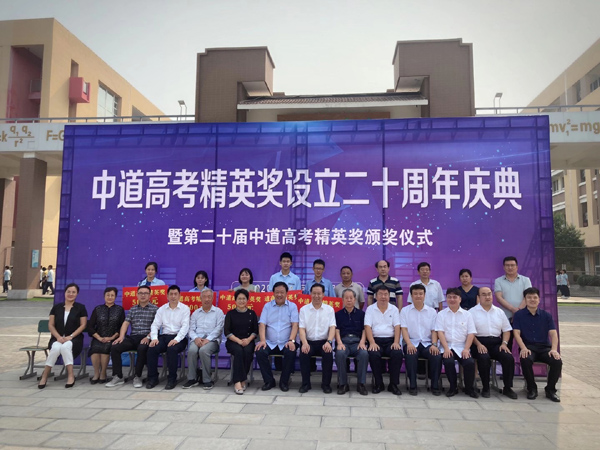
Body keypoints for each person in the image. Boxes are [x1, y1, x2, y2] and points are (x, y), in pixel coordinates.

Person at [513, 287, 562, 402]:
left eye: (535, 297)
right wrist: (523, 348)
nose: (532, 300)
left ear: (539, 299)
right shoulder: (519, 315)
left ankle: (550, 390)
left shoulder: (546, 315)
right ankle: (532, 388)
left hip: (544, 348)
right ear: (525, 299)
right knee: (525, 359)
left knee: (557, 361)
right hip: (528, 348)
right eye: (529, 297)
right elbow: (516, 333)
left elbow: (553, 334)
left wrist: (554, 349)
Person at [106, 285, 158, 388]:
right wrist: (121, 337)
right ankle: (118, 376)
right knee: (115, 347)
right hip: (133, 337)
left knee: (142, 348)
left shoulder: (155, 309)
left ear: (150, 295)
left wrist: (148, 337)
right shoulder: (133, 309)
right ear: (137, 295)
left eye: (145, 293)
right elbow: (126, 323)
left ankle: (137, 376)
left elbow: (157, 326)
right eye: (140, 293)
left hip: (146, 337)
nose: (143, 295)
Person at [470, 286, 517, 399]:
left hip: (496, 343)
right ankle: (486, 388)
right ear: (478, 297)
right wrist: (478, 344)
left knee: (508, 358)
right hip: (478, 343)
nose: (487, 297)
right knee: (484, 358)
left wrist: (504, 343)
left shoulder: (499, 312)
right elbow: (469, 332)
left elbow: (506, 330)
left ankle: (507, 388)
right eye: (484, 294)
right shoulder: (472, 312)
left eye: (489, 294)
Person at [37, 283, 88, 389]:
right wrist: (58, 337)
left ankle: (70, 375)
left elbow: (83, 325)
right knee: (55, 347)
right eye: (68, 292)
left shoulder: (81, 308)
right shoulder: (56, 307)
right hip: (57, 338)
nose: (70, 294)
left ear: (77, 294)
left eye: (73, 292)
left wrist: (71, 336)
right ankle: (45, 376)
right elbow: (51, 325)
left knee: (66, 346)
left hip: (74, 339)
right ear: (65, 293)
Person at [255, 281, 299, 392]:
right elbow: (262, 324)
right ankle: (269, 381)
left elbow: (295, 325)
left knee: (291, 351)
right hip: (270, 342)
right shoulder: (267, 306)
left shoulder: (292, 306)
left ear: (286, 293)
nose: (279, 295)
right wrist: (263, 340)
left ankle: (284, 382)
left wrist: (291, 340)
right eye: (277, 292)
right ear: (273, 293)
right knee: (260, 351)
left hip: (286, 341)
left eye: (282, 292)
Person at [436, 288, 479, 398]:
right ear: (446, 299)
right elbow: (440, 332)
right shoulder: (441, 314)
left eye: (455, 297)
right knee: (448, 361)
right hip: (446, 346)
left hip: (462, 346)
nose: (452, 299)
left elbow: (471, 333)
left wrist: (466, 349)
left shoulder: (467, 315)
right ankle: (453, 387)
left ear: (460, 299)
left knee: (469, 362)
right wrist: (446, 348)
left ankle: (469, 388)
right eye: (449, 297)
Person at [400, 284, 442, 396]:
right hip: (411, 342)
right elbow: (404, 329)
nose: (418, 296)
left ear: (424, 295)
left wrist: (434, 344)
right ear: (411, 296)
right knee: (411, 354)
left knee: (436, 355)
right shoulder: (404, 311)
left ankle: (435, 385)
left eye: (420, 294)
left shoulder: (432, 311)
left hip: (427, 343)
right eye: (415, 294)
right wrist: (409, 344)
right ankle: (413, 385)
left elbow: (434, 330)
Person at [146, 285, 190, 390]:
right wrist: (154, 338)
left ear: (179, 296)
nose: (173, 296)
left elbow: (185, 327)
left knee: (172, 349)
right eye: (171, 294)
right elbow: (155, 325)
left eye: (175, 294)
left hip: (179, 337)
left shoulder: (185, 309)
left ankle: (172, 379)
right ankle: (153, 378)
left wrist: (176, 339)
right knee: (152, 348)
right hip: (164, 336)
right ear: (167, 296)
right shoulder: (162, 309)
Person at [365, 284, 403, 395]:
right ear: (376, 296)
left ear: (389, 296)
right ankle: (379, 383)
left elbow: (397, 327)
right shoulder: (370, 309)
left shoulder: (394, 309)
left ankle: (393, 384)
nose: (383, 297)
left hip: (390, 340)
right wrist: (372, 342)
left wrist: (396, 342)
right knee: (373, 354)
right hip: (375, 340)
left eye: (386, 294)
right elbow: (367, 327)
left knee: (397, 353)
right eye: (380, 294)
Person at [298, 284, 336, 393]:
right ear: (310, 294)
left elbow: (332, 327)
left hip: (324, 342)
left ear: (323, 294)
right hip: (308, 341)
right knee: (304, 353)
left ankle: (326, 384)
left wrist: (329, 341)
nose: (316, 296)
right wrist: (304, 343)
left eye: (319, 293)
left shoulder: (329, 309)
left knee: (328, 354)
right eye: (314, 293)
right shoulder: (304, 309)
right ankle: (306, 384)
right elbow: (301, 329)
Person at [183, 288, 224, 389]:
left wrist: (208, 339)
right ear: (200, 298)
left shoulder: (218, 312)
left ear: (213, 298)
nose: (207, 299)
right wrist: (196, 338)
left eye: (209, 297)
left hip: (212, 340)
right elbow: (191, 329)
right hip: (198, 339)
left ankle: (207, 380)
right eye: (204, 297)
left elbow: (219, 329)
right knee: (192, 350)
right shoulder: (196, 313)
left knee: (203, 350)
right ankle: (192, 379)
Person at [88, 287, 125, 383]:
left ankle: (103, 374)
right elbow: (90, 326)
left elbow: (122, 327)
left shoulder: (119, 309)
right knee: (95, 349)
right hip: (98, 337)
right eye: (108, 295)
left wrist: (112, 337)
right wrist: (99, 337)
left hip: (113, 337)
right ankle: (96, 374)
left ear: (115, 297)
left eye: (112, 295)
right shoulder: (98, 309)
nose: (110, 297)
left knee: (105, 348)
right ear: (104, 296)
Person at [224, 289, 258, 394]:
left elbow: (255, 331)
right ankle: (238, 381)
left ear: (247, 300)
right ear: (235, 300)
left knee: (247, 352)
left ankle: (242, 379)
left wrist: (248, 340)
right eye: (239, 299)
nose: (241, 301)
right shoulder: (230, 314)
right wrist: (238, 341)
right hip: (233, 341)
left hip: (248, 341)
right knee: (238, 351)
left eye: (244, 299)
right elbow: (227, 331)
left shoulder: (252, 314)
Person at [335, 288, 368, 395]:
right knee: (340, 354)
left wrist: (362, 342)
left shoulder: (361, 314)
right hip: (343, 342)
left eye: (351, 298)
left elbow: (364, 330)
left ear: (355, 299)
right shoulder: (338, 314)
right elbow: (336, 330)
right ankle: (343, 384)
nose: (349, 300)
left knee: (364, 354)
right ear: (343, 300)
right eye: (346, 298)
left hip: (357, 342)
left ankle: (361, 384)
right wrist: (339, 343)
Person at [494, 256, 531, 320]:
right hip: (505, 316)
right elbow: (499, 298)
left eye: (512, 265)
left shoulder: (526, 280)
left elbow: (528, 296)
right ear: (504, 267)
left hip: (523, 315)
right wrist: (513, 309)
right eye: (507, 265)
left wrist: (518, 311)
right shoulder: (498, 281)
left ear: (517, 267)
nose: (510, 267)